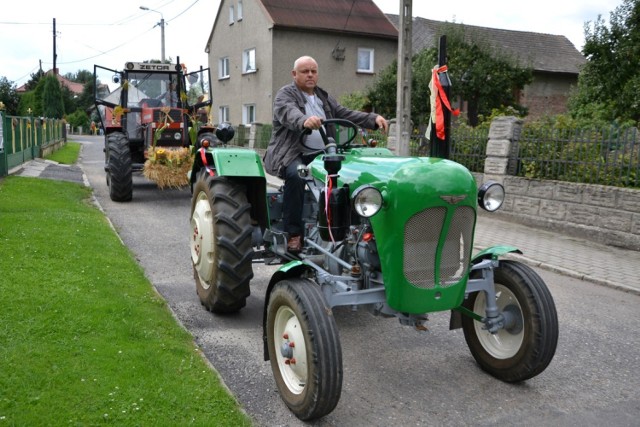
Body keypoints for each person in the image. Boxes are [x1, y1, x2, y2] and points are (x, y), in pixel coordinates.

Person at [263, 55, 388, 253]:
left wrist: (373, 119)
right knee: (297, 175)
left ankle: (352, 228)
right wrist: (304, 120)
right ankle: (294, 234)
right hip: (292, 153)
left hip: (321, 154)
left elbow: (344, 113)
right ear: (294, 74)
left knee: (349, 176)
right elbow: (288, 113)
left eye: (313, 71)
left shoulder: (323, 97)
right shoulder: (285, 95)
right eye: (305, 71)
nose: (310, 75)